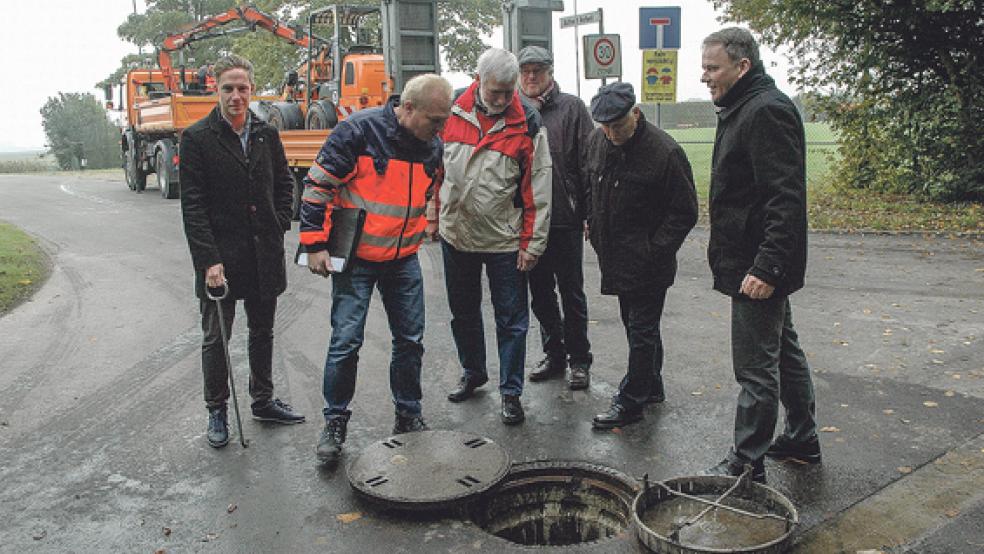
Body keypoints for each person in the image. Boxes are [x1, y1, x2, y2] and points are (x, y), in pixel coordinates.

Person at [300, 74, 452, 464]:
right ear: (408, 108)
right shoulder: (358, 132)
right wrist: (315, 245)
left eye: (444, 120)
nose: (440, 129)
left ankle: (408, 414)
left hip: (403, 260)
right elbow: (317, 187)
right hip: (358, 261)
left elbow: (430, 189)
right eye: (435, 120)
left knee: (410, 341)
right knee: (346, 341)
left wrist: (429, 223)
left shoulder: (431, 145)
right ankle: (334, 423)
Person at [699, 28, 820, 484]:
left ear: (742, 66)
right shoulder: (742, 106)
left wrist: (767, 267)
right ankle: (803, 438)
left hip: (757, 267)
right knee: (784, 351)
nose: (705, 76)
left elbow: (784, 199)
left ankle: (746, 462)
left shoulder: (764, 111)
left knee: (755, 367)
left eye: (713, 67)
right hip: (752, 263)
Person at [180, 54, 305, 449]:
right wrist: (208, 261)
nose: (236, 96)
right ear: (216, 90)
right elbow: (193, 207)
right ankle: (217, 410)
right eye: (228, 89)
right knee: (217, 337)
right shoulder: (197, 138)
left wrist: (280, 220)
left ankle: (263, 400)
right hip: (221, 260)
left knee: (263, 331)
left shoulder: (267, 134)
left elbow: (284, 184)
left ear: (251, 90)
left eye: (242, 88)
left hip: (263, 254)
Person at [432, 48, 552, 425]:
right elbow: (436, 171)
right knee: (462, 312)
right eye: (495, 91)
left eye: (508, 92)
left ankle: (511, 392)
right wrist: (433, 217)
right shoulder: (451, 113)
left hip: (504, 241)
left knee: (511, 320)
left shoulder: (528, 123)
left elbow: (539, 188)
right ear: (478, 80)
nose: (502, 100)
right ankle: (473, 372)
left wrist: (533, 244)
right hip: (457, 236)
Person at [584, 83, 698, 430]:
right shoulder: (598, 141)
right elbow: (592, 186)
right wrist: (591, 220)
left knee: (641, 329)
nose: (611, 133)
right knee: (636, 326)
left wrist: (655, 249)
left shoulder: (664, 152)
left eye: (617, 125)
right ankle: (652, 385)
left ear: (635, 112)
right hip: (615, 257)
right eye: (604, 126)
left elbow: (685, 211)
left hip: (649, 262)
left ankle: (631, 400)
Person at [516, 45, 595, 390]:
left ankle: (580, 360)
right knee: (541, 294)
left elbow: (589, 164)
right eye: (525, 71)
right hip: (528, 221)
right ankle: (555, 354)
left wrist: (589, 212)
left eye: (538, 70)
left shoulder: (573, 108)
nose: (531, 76)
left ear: (550, 72)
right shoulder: (513, 109)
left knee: (572, 292)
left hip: (564, 217)